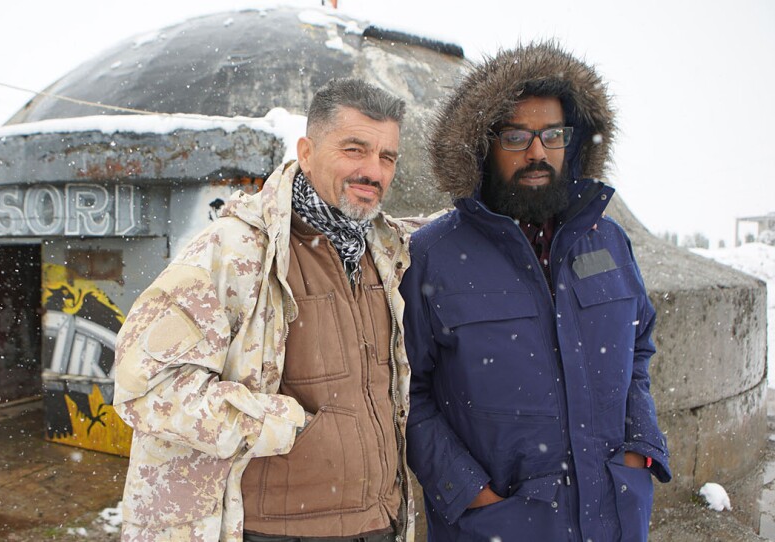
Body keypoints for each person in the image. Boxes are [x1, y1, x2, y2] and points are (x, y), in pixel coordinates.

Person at [113, 78, 414, 542]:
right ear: (307, 152)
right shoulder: (237, 250)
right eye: (355, 149)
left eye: (386, 156)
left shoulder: (387, 251)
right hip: (275, 529)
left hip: (379, 524)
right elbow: (147, 386)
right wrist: (284, 425)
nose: (373, 171)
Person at [401, 42, 671, 541]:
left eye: (552, 135)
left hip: (612, 515)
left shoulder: (609, 242)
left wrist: (640, 446)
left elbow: (638, 348)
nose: (537, 152)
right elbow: (405, 390)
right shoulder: (433, 254)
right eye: (516, 137)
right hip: (500, 523)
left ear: (573, 142)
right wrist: (469, 493)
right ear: (483, 145)